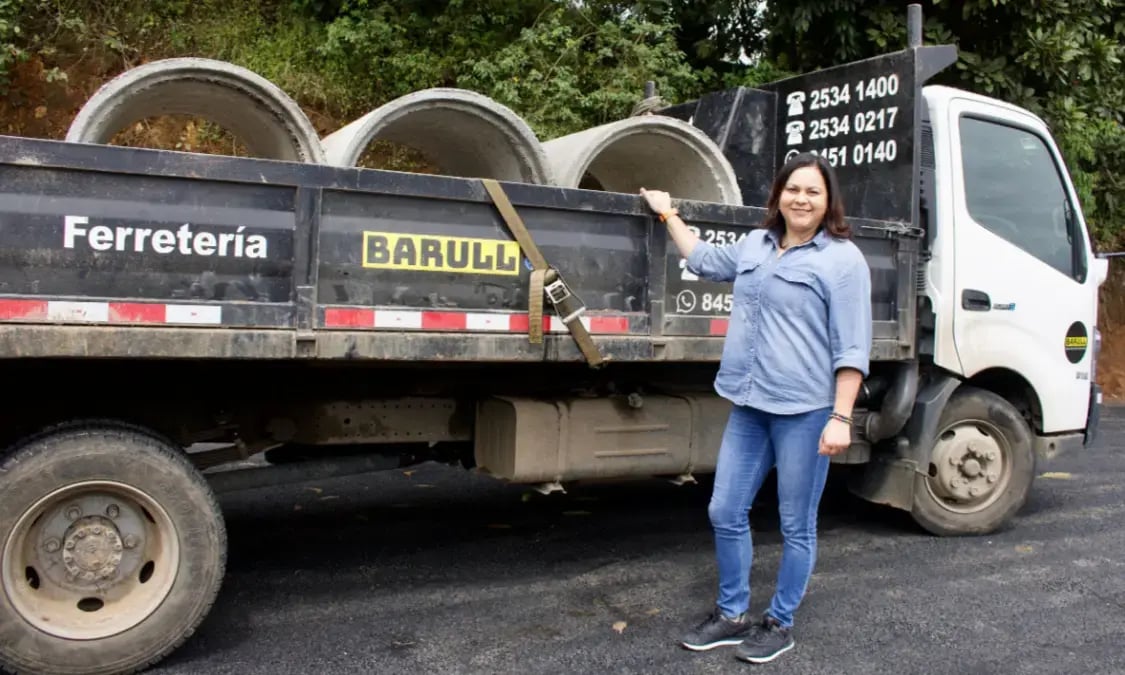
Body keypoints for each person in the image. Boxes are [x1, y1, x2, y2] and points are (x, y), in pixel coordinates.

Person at [639, 151, 872, 664]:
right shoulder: (755, 245)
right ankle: (731, 614)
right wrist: (667, 212)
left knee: (796, 524)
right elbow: (701, 260)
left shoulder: (842, 260)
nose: (801, 199)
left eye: (813, 191)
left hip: (806, 411)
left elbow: (853, 348)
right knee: (724, 509)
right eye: (793, 189)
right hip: (749, 405)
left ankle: (780, 623)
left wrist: (841, 416)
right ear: (778, 196)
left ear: (828, 200)